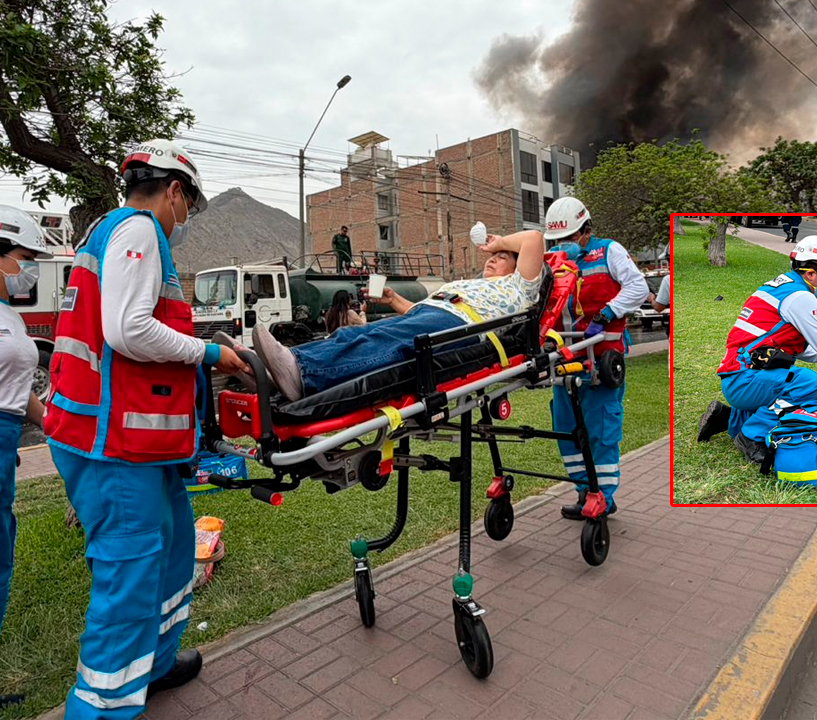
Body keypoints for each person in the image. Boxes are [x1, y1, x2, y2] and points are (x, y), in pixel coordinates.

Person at [43, 139, 250, 718]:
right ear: (175, 192)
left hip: (139, 446)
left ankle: (152, 666)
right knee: (130, 575)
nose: (185, 220)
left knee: (176, 548)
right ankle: (104, 706)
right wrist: (209, 354)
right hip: (111, 444)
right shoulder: (136, 231)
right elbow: (128, 330)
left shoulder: (116, 234)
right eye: (189, 207)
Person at [251, 230, 545, 402]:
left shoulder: (520, 287)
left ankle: (304, 373)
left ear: (519, 268)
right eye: (493, 256)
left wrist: (499, 242)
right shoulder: (472, 284)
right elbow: (420, 313)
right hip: (436, 315)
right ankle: (270, 369)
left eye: (502, 257)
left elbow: (534, 238)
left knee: (384, 339)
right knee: (354, 334)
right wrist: (393, 300)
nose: (492, 259)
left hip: (463, 325)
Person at [695, 236, 817, 463]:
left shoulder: (779, 286)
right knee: (812, 383)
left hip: (737, 375)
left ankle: (727, 418)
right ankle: (751, 436)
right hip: (745, 380)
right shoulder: (800, 297)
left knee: (789, 380)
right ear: (811, 273)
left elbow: (806, 351)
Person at [543, 197, 649, 519]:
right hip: (564, 356)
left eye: (571, 238)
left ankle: (603, 496)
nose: (565, 245)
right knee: (566, 427)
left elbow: (638, 287)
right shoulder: (551, 263)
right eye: (558, 240)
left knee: (600, 428)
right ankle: (583, 492)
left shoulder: (609, 251)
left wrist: (605, 314)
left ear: (586, 230)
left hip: (602, 355)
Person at [0, 206, 53, 709]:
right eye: (23, 258)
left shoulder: (10, 316)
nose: (29, 269)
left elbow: (15, 389)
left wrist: (50, 421)